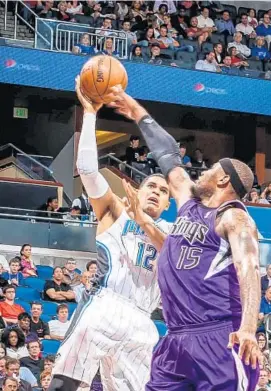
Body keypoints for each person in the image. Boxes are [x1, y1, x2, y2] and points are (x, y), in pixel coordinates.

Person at [108, 85, 261, 390]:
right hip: (175, 339)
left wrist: (248, 329)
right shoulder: (188, 203)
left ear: (223, 179)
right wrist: (137, 112)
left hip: (219, 338)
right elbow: (167, 154)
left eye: (210, 170)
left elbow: (250, 270)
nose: (201, 172)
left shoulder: (234, 217)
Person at [48, 77, 172, 391]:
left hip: (144, 319)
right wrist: (90, 113)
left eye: (163, 191)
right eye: (151, 187)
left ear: (170, 203)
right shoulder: (116, 210)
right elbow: (88, 170)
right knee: (67, 380)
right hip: (105, 303)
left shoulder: (172, 232)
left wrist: (145, 221)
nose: (156, 192)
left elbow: (173, 251)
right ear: (139, 191)